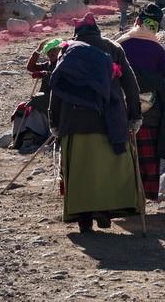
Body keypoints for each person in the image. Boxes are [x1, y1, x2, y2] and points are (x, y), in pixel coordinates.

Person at [49, 14, 144, 234]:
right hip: (109, 119)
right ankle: (105, 210)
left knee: (81, 172)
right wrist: (134, 116)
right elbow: (130, 84)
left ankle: (84, 220)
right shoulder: (113, 48)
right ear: (97, 30)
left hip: (74, 121)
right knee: (110, 170)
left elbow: (57, 88)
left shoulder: (68, 50)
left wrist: (54, 121)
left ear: (77, 33)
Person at [117, 4, 165, 200]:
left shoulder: (121, 44)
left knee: (124, 153)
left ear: (138, 21)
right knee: (147, 157)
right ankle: (144, 194)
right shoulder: (158, 50)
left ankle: (124, 195)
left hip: (122, 110)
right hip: (150, 113)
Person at [11, 37, 62, 152]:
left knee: (35, 103)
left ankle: (36, 135)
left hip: (57, 96)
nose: (51, 54)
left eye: (54, 51)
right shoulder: (47, 64)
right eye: (49, 52)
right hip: (44, 95)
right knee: (22, 107)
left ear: (60, 50)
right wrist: (38, 50)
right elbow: (30, 67)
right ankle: (19, 137)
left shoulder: (63, 64)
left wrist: (47, 74)